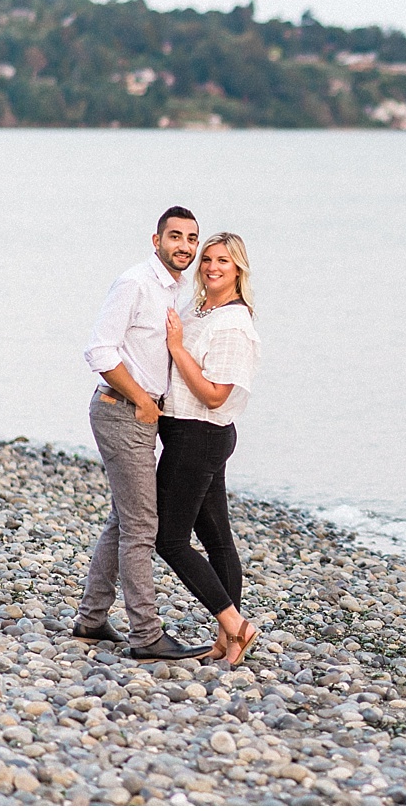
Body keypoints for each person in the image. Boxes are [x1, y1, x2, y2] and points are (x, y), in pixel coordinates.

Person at [74, 206, 213, 661]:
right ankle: (146, 635)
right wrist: (142, 400)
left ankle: (92, 619)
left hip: (137, 414)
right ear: (156, 241)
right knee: (142, 526)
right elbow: (99, 350)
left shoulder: (172, 292)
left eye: (192, 239)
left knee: (124, 518)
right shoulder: (136, 283)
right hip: (122, 412)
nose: (185, 247)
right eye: (175, 237)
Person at [155, 232, 262, 666]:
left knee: (170, 539)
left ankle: (236, 626)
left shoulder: (234, 325)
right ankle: (226, 640)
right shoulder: (200, 310)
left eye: (223, 261)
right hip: (187, 433)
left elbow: (216, 394)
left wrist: (177, 347)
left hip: (201, 435)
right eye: (207, 260)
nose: (212, 267)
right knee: (217, 540)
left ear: (239, 268)